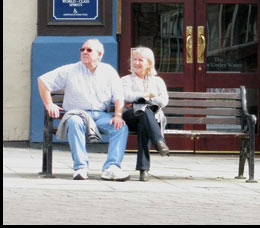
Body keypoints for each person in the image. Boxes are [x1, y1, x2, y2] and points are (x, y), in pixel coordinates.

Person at [37, 38, 129, 181]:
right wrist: (49, 104)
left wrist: (118, 115)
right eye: (82, 49)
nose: (84, 52)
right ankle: (80, 167)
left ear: (99, 54)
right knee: (74, 121)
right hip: (77, 113)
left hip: (100, 115)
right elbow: (43, 80)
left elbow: (119, 96)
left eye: (89, 50)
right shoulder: (70, 70)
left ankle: (111, 168)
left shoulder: (108, 71)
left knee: (120, 128)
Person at [121, 47, 170, 181]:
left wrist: (143, 100)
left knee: (145, 117)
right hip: (130, 117)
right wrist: (148, 96)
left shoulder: (157, 81)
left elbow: (164, 101)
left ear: (149, 63)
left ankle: (143, 170)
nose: (136, 63)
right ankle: (159, 141)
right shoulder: (125, 80)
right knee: (144, 112)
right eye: (134, 60)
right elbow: (127, 95)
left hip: (149, 118)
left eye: (140, 60)